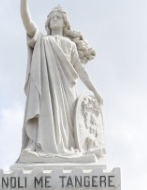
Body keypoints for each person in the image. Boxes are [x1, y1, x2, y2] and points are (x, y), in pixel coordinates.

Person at [17, 0, 103, 163]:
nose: (55, 19)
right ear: (48, 23)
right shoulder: (42, 40)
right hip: (46, 91)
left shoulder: (70, 45)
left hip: (66, 91)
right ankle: (38, 146)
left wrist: (95, 91)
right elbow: (26, 20)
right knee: (46, 119)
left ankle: (71, 151)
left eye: (58, 17)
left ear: (65, 23)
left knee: (67, 128)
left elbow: (80, 70)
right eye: (52, 17)